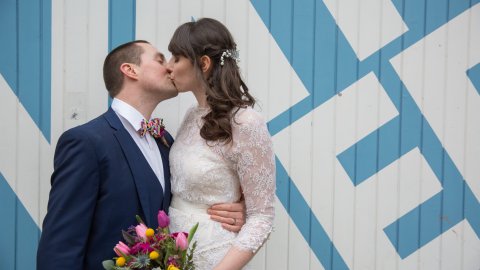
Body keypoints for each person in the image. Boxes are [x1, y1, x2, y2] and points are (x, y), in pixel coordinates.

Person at [37, 40, 245, 270]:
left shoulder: (167, 142)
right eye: (159, 59)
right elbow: (60, 245)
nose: (170, 67)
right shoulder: (86, 142)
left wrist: (236, 208)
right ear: (130, 70)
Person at [167, 18, 276, 270]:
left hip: (214, 257)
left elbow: (262, 217)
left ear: (203, 64)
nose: (169, 67)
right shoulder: (191, 115)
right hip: (173, 254)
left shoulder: (246, 123)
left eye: (176, 58)